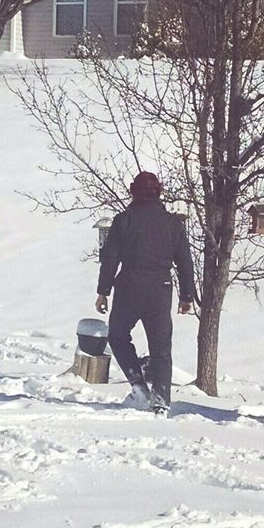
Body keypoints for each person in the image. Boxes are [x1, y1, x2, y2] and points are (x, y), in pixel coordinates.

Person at [95, 171, 196, 414]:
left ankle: (139, 385)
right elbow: (184, 261)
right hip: (160, 289)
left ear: (133, 191)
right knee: (161, 348)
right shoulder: (173, 223)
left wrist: (103, 291)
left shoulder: (123, 220)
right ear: (159, 191)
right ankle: (161, 401)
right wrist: (186, 296)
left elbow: (110, 259)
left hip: (129, 286)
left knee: (118, 336)